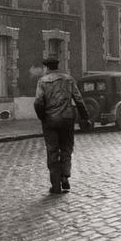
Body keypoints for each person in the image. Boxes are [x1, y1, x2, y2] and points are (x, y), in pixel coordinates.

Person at [34, 57, 92, 194]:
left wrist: (43, 117)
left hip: (51, 120)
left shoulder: (42, 81)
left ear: (47, 68)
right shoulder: (69, 79)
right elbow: (79, 100)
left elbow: (38, 102)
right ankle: (65, 175)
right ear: (57, 66)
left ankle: (55, 185)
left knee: (52, 150)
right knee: (66, 148)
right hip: (67, 119)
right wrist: (85, 117)